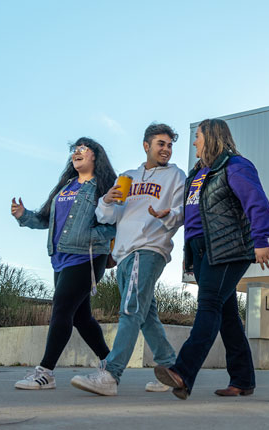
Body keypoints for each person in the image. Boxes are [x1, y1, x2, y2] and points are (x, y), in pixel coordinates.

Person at [154, 118, 269, 400]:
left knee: (208, 305)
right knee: (228, 316)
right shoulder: (198, 173)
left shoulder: (234, 166)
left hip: (229, 248)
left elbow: (256, 201)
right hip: (202, 250)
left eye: (197, 136)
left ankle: (182, 372)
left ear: (211, 137)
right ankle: (243, 380)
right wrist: (169, 218)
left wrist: (261, 239)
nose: (194, 142)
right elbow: (194, 214)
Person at [70, 123, 186, 396]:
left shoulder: (176, 176)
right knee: (145, 315)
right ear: (146, 146)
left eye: (169, 145)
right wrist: (107, 201)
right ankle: (171, 370)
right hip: (124, 253)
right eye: (161, 144)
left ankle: (111, 374)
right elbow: (107, 217)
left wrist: (166, 214)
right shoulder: (128, 176)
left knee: (130, 310)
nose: (166, 149)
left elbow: (181, 212)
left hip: (149, 248)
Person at [10, 137, 117, 390]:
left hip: (87, 257)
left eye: (83, 149)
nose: (77, 153)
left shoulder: (103, 186)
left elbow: (114, 225)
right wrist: (24, 216)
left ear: (95, 156)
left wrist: (89, 236)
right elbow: (46, 219)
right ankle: (111, 363)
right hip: (60, 257)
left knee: (61, 310)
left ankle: (45, 372)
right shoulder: (66, 187)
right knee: (81, 317)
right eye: (75, 150)